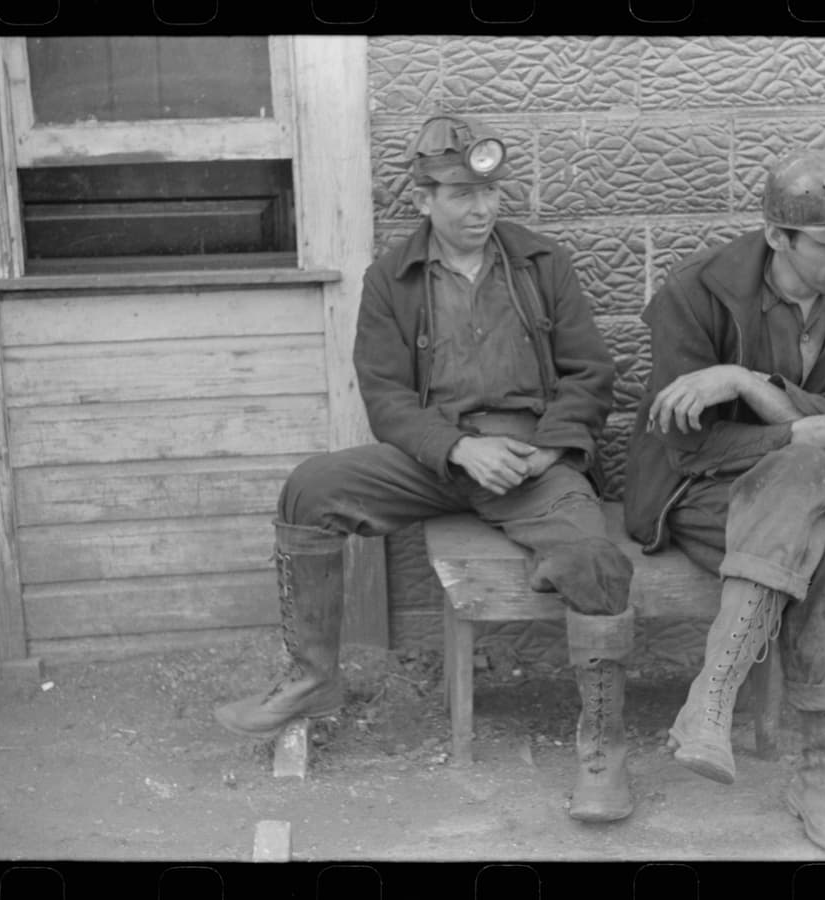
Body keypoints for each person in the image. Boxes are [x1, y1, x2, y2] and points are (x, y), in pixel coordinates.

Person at [214, 115, 637, 823]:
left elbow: (591, 373)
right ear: (422, 200)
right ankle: (313, 676)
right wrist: (456, 448)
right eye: (461, 195)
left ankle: (603, 750)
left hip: (532, 459)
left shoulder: (541, 264)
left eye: (491, 192)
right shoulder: (393, 277)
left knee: (595, 561)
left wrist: (550, 448)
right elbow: (384, 396)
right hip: (439, 458)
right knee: (310, 489)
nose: (481, 209)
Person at [623, 146, 825, 858]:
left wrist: (752, 387)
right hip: (698, 492)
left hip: (804, 487)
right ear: (777, 237)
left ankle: (712, 700)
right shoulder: (696, 293)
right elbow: (688, 449)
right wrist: (806, 427)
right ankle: (821, 770)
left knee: (811, 474)